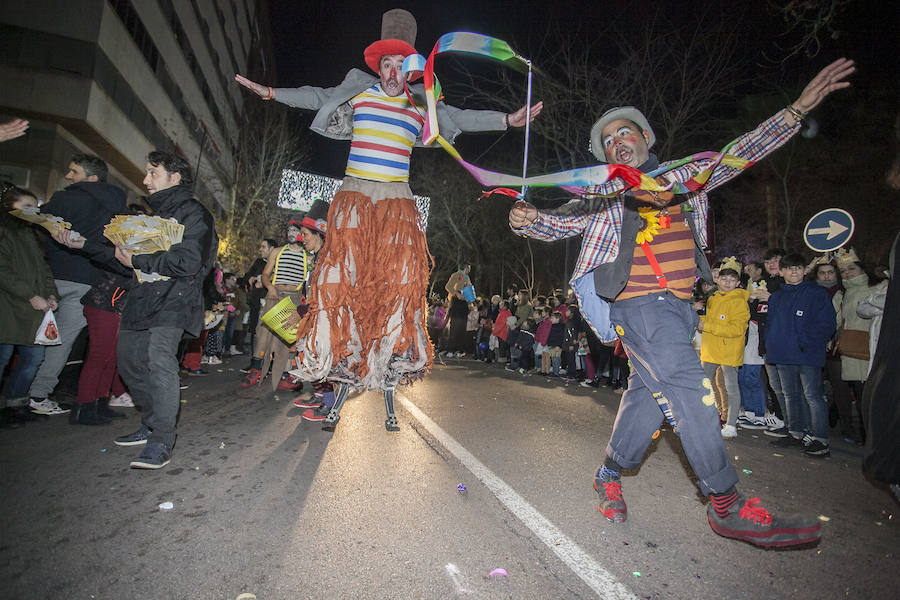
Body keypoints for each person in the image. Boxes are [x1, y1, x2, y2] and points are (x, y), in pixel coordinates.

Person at [508, 58, 854, 547]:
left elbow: (741, 153)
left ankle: (608, 474)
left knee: (649, 396)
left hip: (679, 308)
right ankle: (726, 505)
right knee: (690, 390)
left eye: (625, 133)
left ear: (646, 139)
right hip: (635, 306)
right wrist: (526, 220)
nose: (617, 143)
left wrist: (794, 113)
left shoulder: (685, 176)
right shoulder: (603, 195)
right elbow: (556, 224)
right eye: (607, 141)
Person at [235, 8, 541, 431]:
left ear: (411, 70)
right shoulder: (359, 93)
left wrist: (506, 120)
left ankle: (390, 357)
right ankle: (334, 354)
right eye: (387, 64)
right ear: (378, 67)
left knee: (398, 284)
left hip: (397, 200)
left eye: (401, 65)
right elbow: (315, 95)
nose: (394, 72)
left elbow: (459, 120)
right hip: (356, 195)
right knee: (338, 279)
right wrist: (270, 92)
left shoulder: (420, 106)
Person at [108, 151, 217, 469]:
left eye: (153, 172)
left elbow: (189, 261)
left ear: (175, 177)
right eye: (146, 173)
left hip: (174, 300)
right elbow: (122, 259)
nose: (145, 180)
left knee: (159, 361)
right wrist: (82, 245)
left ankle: (161, 439)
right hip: (140, 299)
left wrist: (139, 260)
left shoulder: (195, 214)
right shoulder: (149, 217)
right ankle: (152, 422)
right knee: (128, 363)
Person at [28, 154, 127, 416]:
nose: (68, 176)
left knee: (32, 335)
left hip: (50, 277)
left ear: (92, 177)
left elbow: (36, 226)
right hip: (88, 281)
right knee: (61, 342)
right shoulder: (117, 207)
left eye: (74, 171)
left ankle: (20, 392)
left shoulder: (64, 199)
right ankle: (38, 395)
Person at [765, 253, 836, 456]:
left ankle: (821, 439)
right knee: (790, 395)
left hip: (807, 354)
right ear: (781, 272)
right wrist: (771, 346)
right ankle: (795, 432)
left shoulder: (816, 293)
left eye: (797, 267)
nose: (793, 272)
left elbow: (827, 323)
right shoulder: (777, 297)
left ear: (804, 270)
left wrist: (807, 342)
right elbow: (772, 325)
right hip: (783, 353)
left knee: (813, 396)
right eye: (788, 268)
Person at [0, 186, 58, 426]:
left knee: (33, 358)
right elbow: (3, 270)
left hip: (34, 311)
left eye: (34, 207)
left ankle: (15, 403)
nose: (31, 212)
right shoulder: (5, 232)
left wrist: (52, 295)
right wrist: (30, 295)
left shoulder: (32, 235)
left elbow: (44, 270)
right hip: (9, 306)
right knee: (3, 358)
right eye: (26, 207)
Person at [242, 219, 314, 390]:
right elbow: (266, 274)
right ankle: (256, 369)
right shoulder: (277, 251)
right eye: (288, 230)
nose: (290, 233)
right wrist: (270, 287)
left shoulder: (308, 257)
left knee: (286, 339)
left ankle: (284, 375)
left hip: (294, 299)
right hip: (274, 296)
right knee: (263, 335)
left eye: (294, 230)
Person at [698, 258, 750, 438]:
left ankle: (731, 424)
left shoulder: (740, 301)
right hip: (711, 349)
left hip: (729, 351)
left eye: (731, 280)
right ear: (717, 280)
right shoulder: (712, 298)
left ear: (738, 283)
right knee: (705, 385)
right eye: (724, 279)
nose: (727, 283)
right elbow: (711, 321)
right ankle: (705, 419)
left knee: (730, 388)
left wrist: (707, 326)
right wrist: (699, 320)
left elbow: (737, 329)